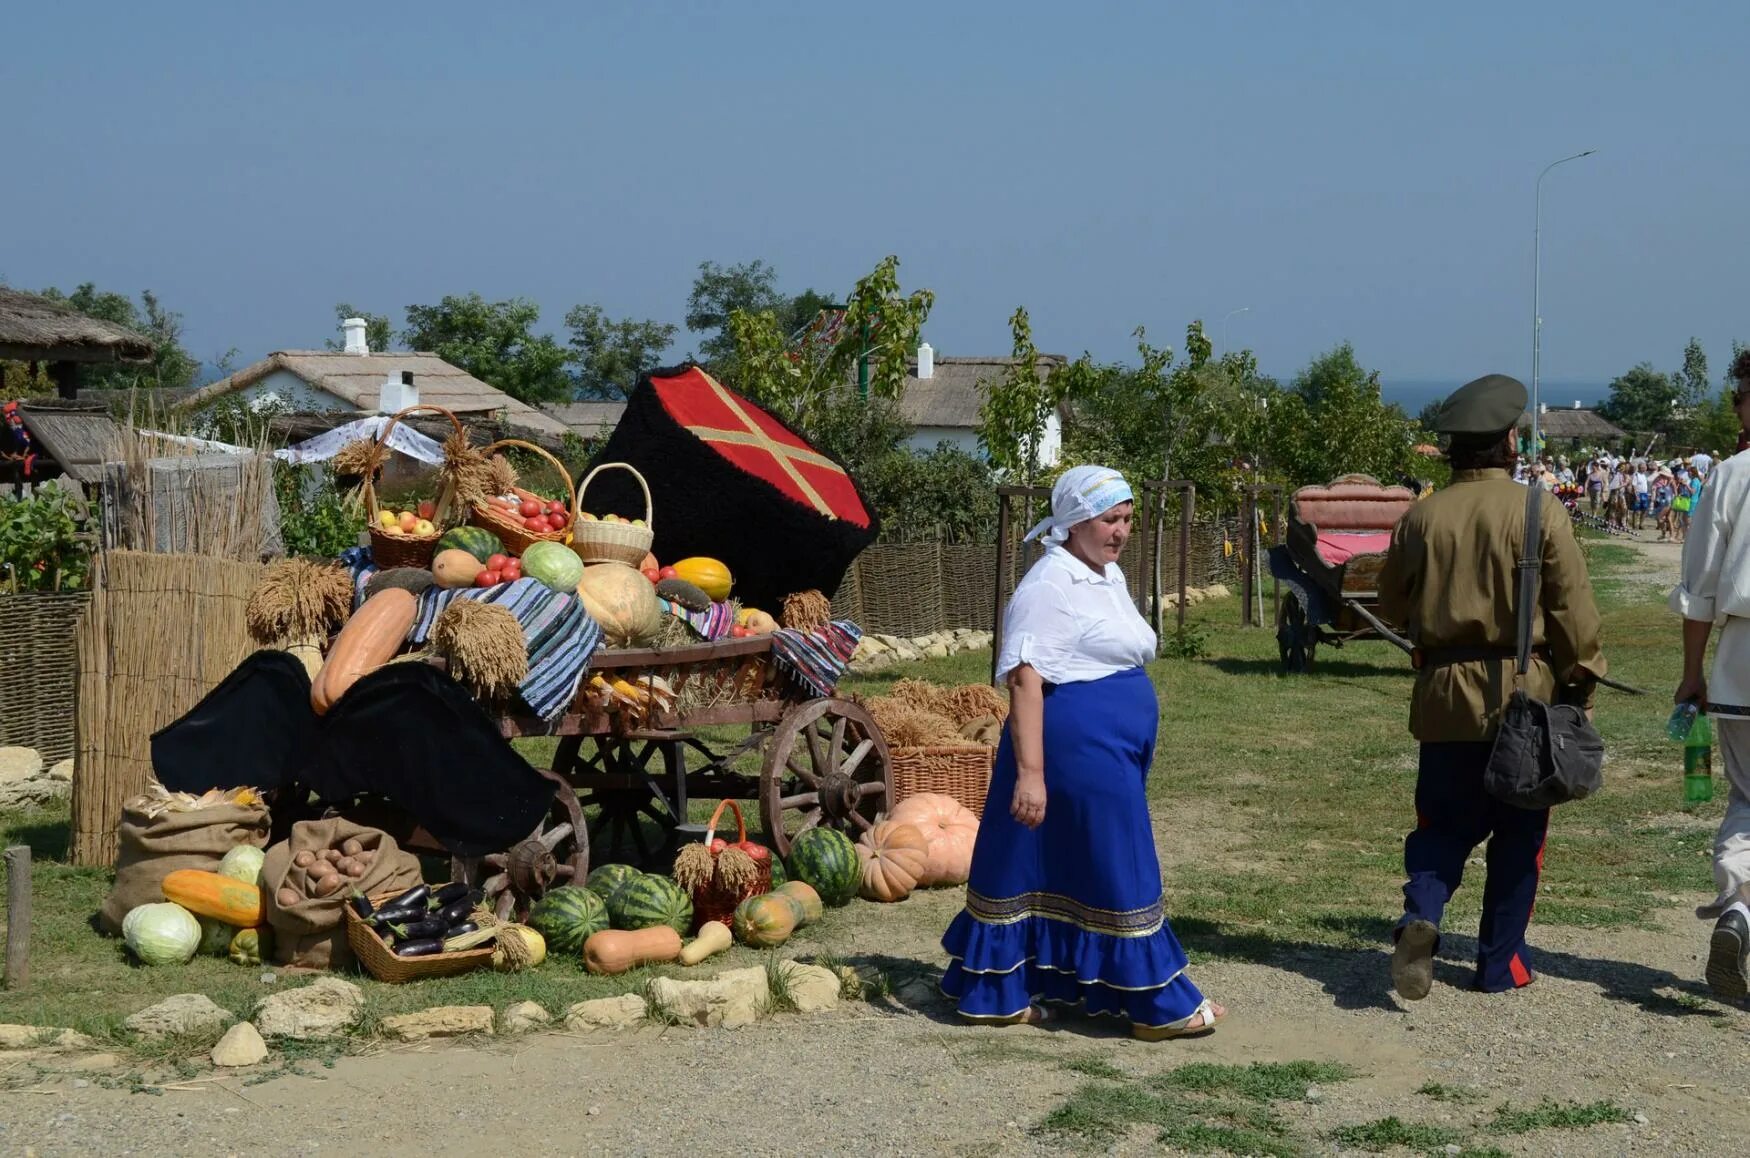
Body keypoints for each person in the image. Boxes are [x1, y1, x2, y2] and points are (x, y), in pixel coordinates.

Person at [940, 465, 1223, 1038]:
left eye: (1125, 519)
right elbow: (1024, 679)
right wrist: (1031, 774)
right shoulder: (1050, 584)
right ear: (1073, 522)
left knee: (1074, 867)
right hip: (1073, 753)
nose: (1120, 531)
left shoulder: (1102, 574)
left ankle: (1033, 990)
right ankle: (1156, 1006)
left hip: (1107, 750)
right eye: (1108, 520)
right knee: (1122, 865)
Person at [1377, 374, 1607, 1000]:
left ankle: (1423, 911)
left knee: (1441, 824)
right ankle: (1500, 964)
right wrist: (1581, 680)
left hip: (1445, 692)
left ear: (1455, 447)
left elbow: (1392, 604)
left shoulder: (1420, 517)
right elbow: (1573, 613)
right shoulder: (1540, 509)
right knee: (1520, 831)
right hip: (1525, 695)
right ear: (1509, 439)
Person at [1671, 375, 1750, 998]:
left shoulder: (1729, 476)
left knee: (1747, 796)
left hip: (1742, 659)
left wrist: (1692, 671)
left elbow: (1699, 591)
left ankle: (1740, 906)